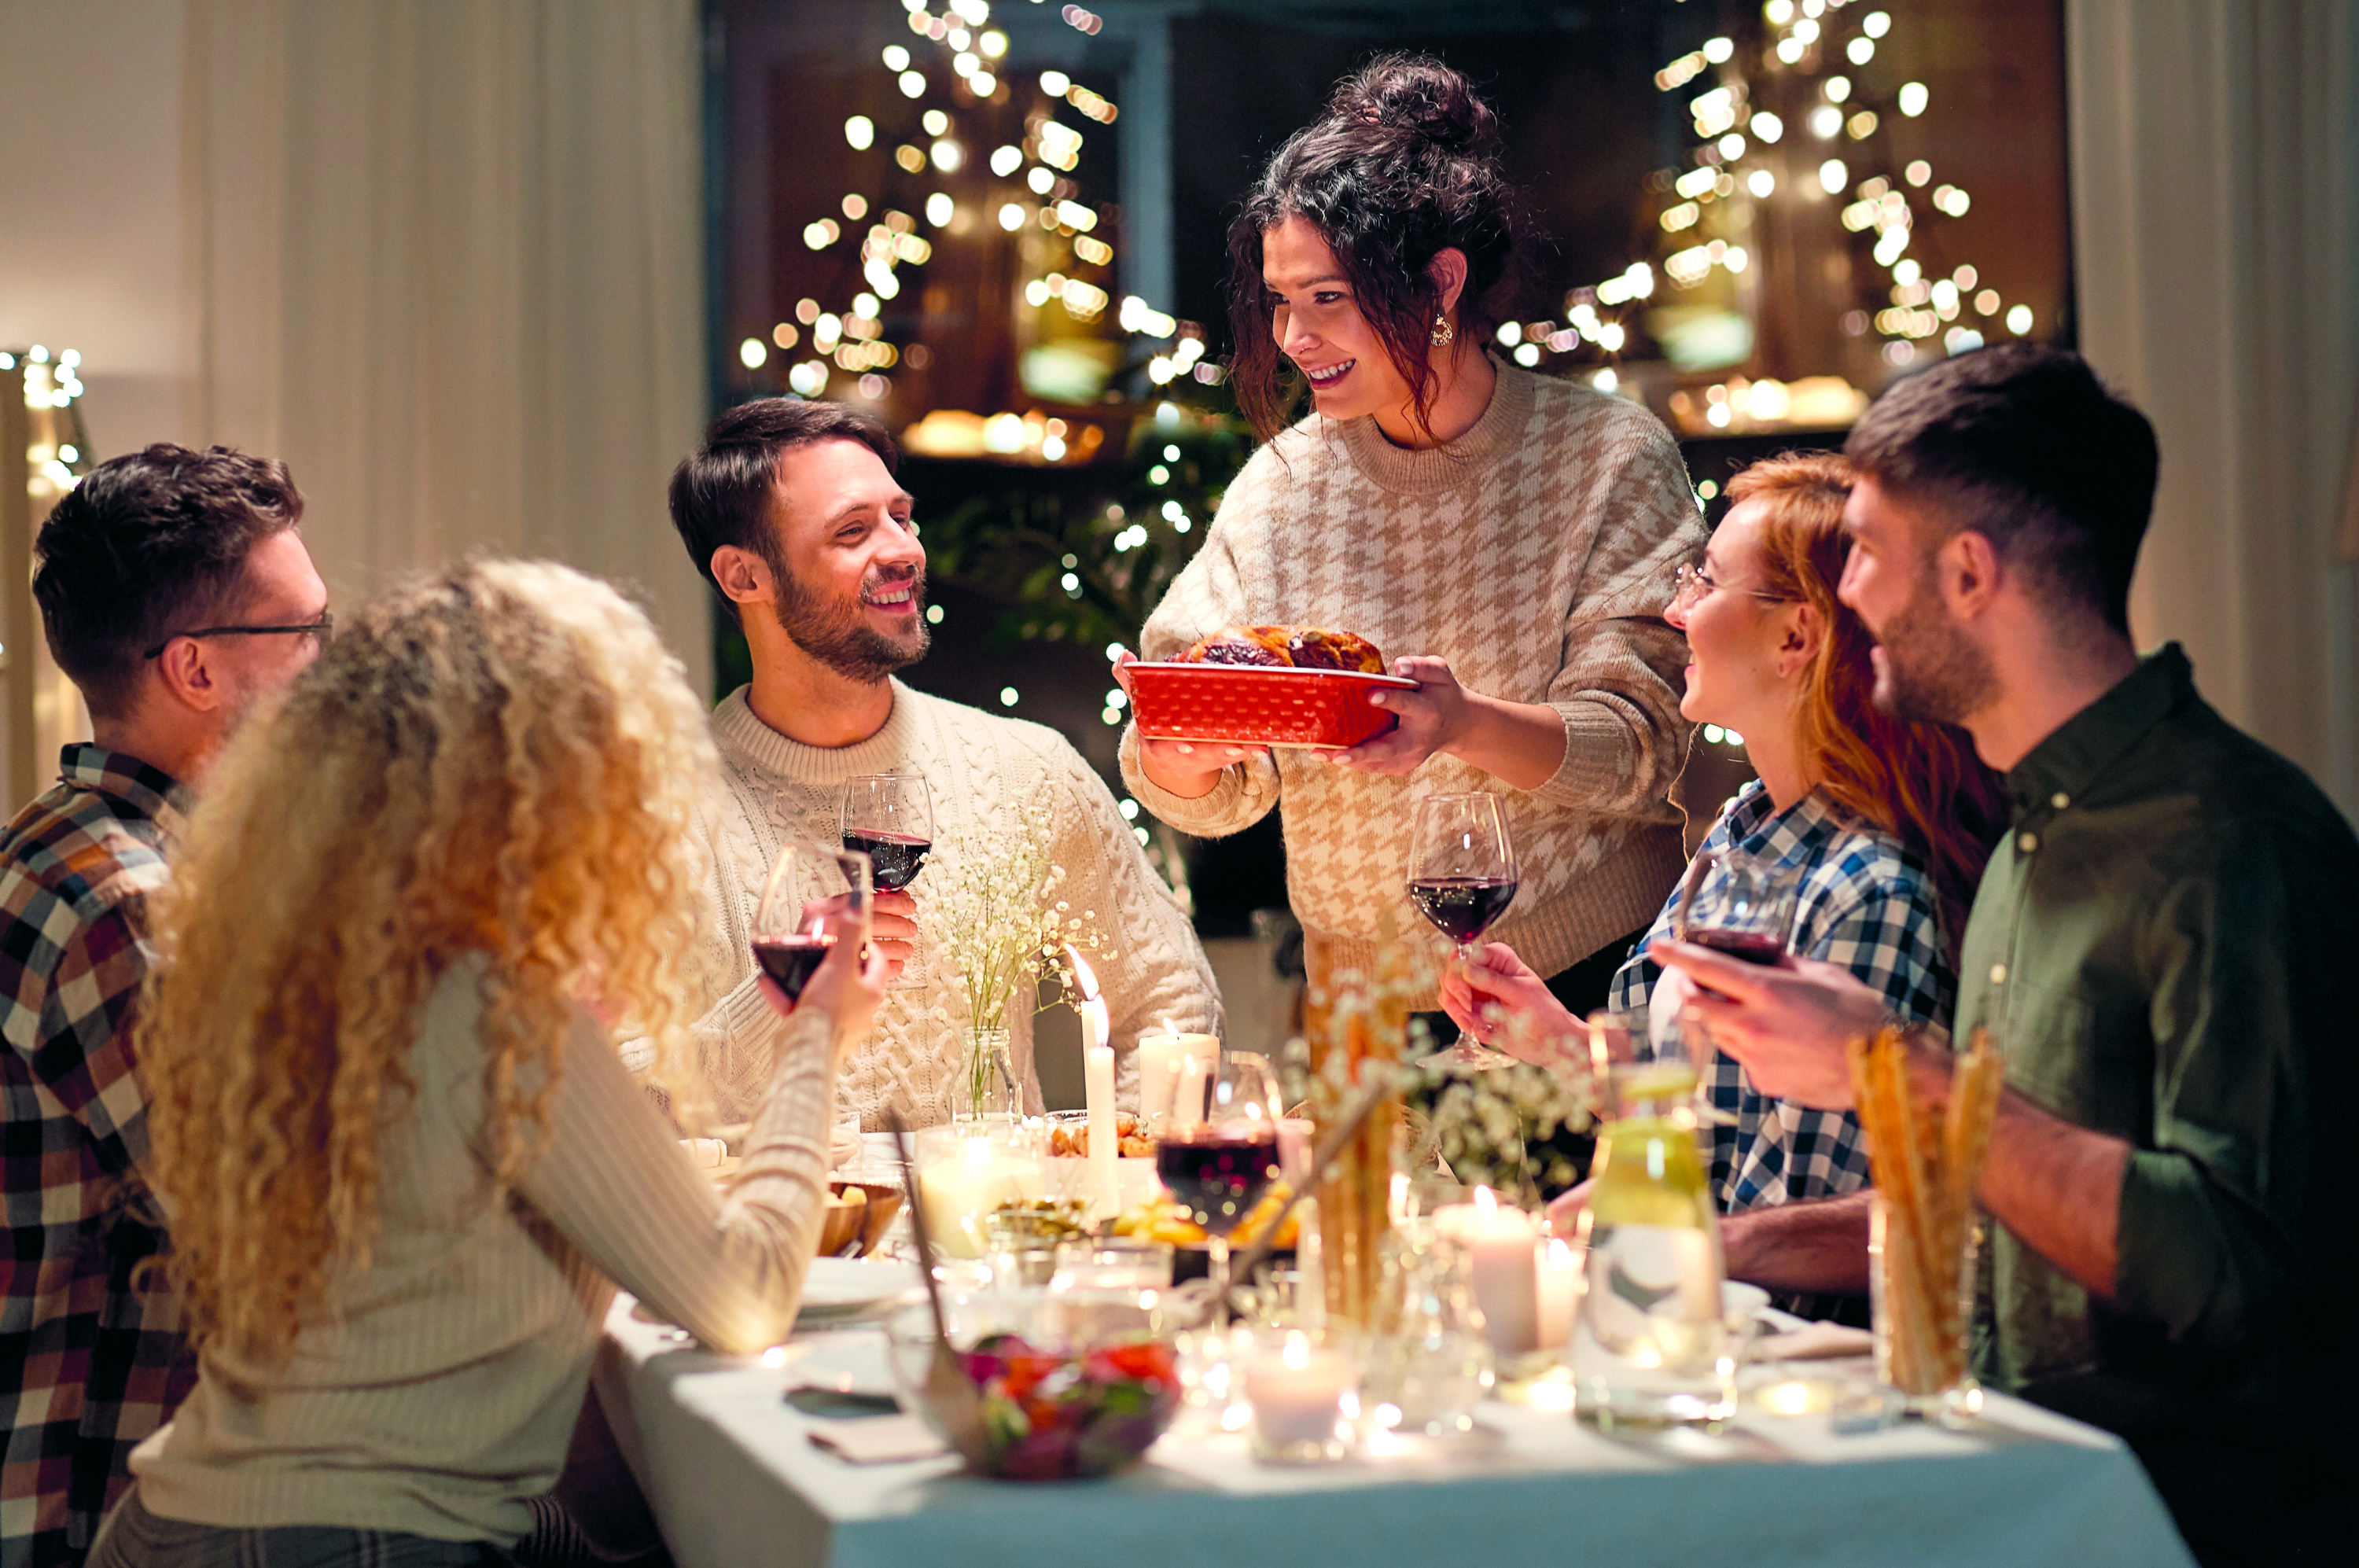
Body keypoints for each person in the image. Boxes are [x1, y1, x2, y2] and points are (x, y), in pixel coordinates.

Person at [1651, 346, 2353, 1566]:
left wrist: (1899, 1068)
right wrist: (1751, 1244)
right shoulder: (2032, 833)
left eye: (1867, 551)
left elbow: (2231, 1270)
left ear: (1970, 573)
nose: (1847, 592)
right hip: (2002, 1469)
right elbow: (2013, 1202)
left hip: (2172, 1521)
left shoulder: (2234, 841)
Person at [93, 561, 883, 1567]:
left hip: (179, 1524)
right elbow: (743, 1295)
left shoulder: (321, 979)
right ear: (548, 785)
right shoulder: (491, 1003)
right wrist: (816, 1033)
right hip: (352, 1542)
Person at [1117, 56, 1702, 1024]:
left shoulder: (1605, 456)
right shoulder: (1284, 485)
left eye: (1329, 298)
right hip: (1363, 1010)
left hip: (1583, 987)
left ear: (1440, 281)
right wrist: (1183, 746)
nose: (1294, 336)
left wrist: (1462, 723)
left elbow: (1646, 750)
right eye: (1279, 300)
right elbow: (1211, 778)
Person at [1438, 454, 2005, 1319]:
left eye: (1703, 582)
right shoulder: (1744, 828)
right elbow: (1697, 1098)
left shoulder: (1867, 889)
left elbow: (1791, 1236)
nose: (1676, 609)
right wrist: (1553, 1038)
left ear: (1795, 637)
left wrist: (1635, 1260)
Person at [664, 399, 1218, 1128]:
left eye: (901, 515)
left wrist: (1114, 1184)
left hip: (997, 1239)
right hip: (784, 1241)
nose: (903, 550)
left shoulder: (1024, 770)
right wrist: (777, 1003)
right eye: (853, 531)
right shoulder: (653, 811)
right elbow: (598, 1097)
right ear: (744, 577)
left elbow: (1171, 1000)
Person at [2, 445, 328, 1568]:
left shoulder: (68, 843)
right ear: (195, 668)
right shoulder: (134, 908)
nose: (330, 671)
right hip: (108, 1507)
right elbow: (302, 1245)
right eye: (307, 635)